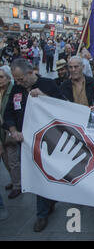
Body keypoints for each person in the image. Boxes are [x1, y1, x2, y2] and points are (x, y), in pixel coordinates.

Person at [3, 58, 65, 232]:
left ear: (31, 72)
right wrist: (13, 130)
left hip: (48, 142)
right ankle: (45, 208)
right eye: (17, 79)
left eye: (22, 78)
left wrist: (44, 97)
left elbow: (65, 107)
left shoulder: (48, 84)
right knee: (36, 177)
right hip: (26, 143)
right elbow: (8, 114)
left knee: (46, 175)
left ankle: (45, 208)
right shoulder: (16, 89)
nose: (19, 82)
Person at [0, 66, 20, 199]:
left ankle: (18, 185)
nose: (0, 80)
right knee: (5, 159)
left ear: (8, 78)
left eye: (1, 77)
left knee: (12, 160)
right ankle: (14, 180)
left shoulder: (13, 90)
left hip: (9, 130)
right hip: (1, 132)